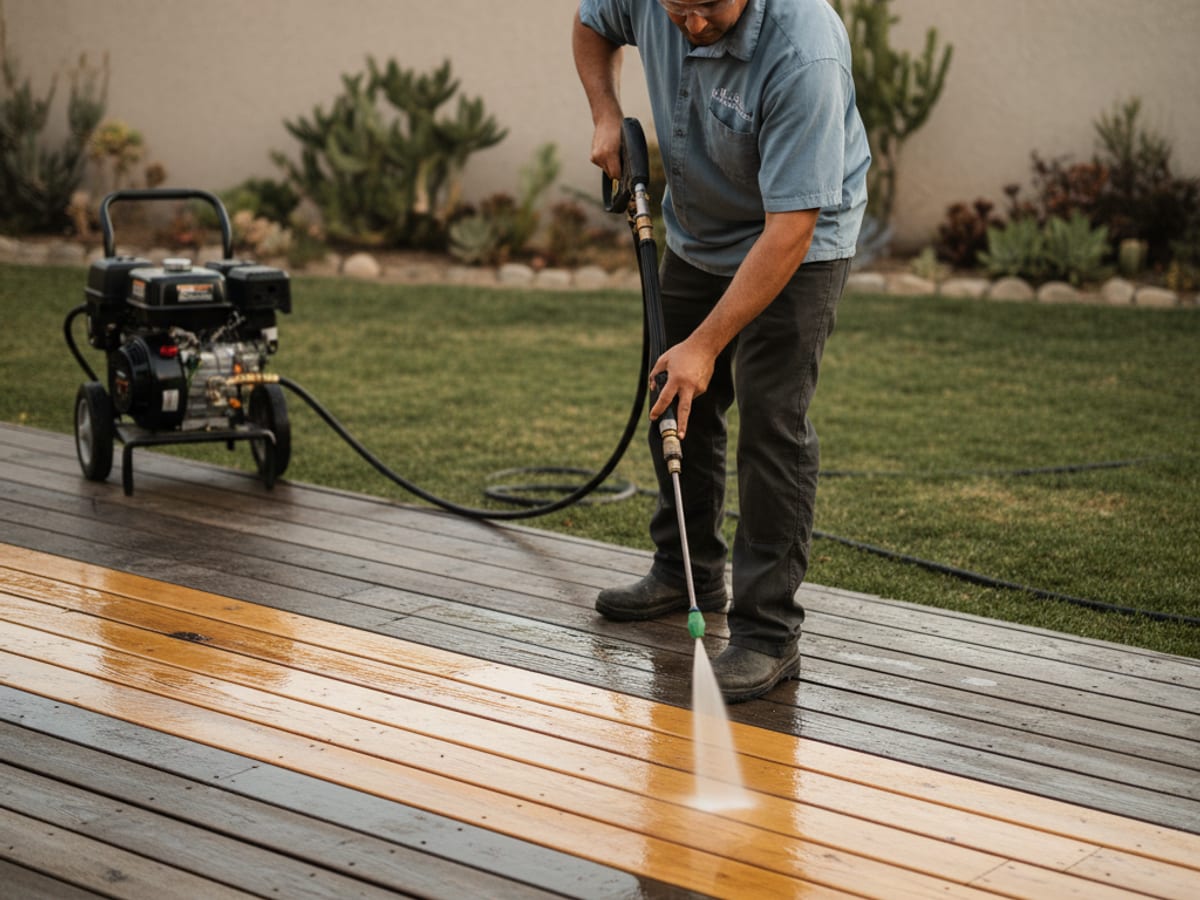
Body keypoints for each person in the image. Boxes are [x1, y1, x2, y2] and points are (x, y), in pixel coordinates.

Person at [572, 0, 870, 702]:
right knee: (674, 394)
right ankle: (686, 571)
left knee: (772, 422)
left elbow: (790, 229)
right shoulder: (657, 2)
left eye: (709, 6)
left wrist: (707, 346)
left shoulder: (806, 53)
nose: (692, 22)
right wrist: (605, 111)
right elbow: (591, 25)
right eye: (679, 6)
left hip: (795, 243)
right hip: (701, 235)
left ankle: (769, 632)